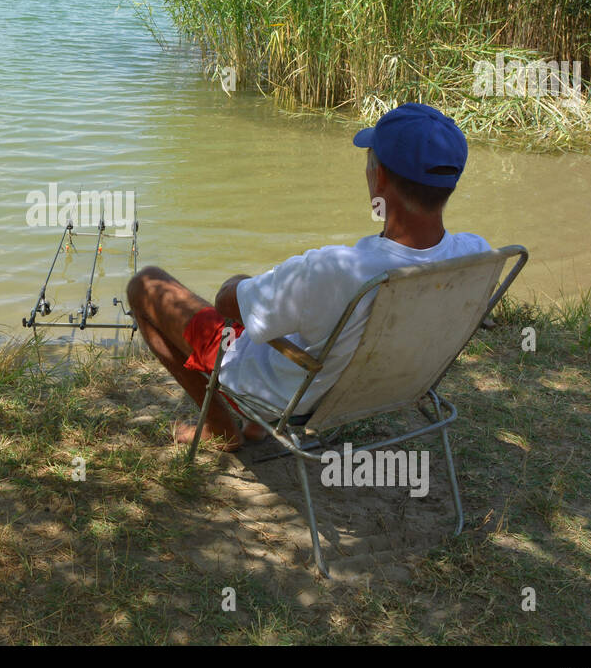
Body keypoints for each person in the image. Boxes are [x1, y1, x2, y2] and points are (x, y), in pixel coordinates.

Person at [126, 103, 491, 451]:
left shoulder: (336, 269)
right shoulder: (475, 254)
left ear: (378, 178)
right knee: (278, 302)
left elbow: (227, 304)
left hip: (293, 397)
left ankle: (220, 426)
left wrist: (239, 283)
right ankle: (253, 424)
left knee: (145, 283)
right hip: (386, 387)